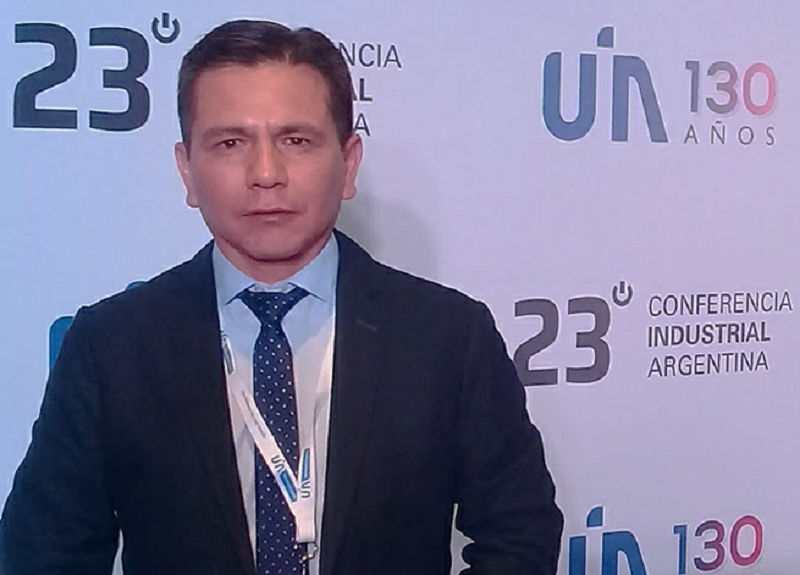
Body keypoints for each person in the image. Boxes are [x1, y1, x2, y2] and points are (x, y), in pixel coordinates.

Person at [0, 20, 563, 575]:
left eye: (296, 140)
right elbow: (43, 554)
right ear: (187, 171)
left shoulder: (449, 337)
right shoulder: (110, 347)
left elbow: (520, 533)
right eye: (230, 143)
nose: (265, 173)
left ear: (348, 163)